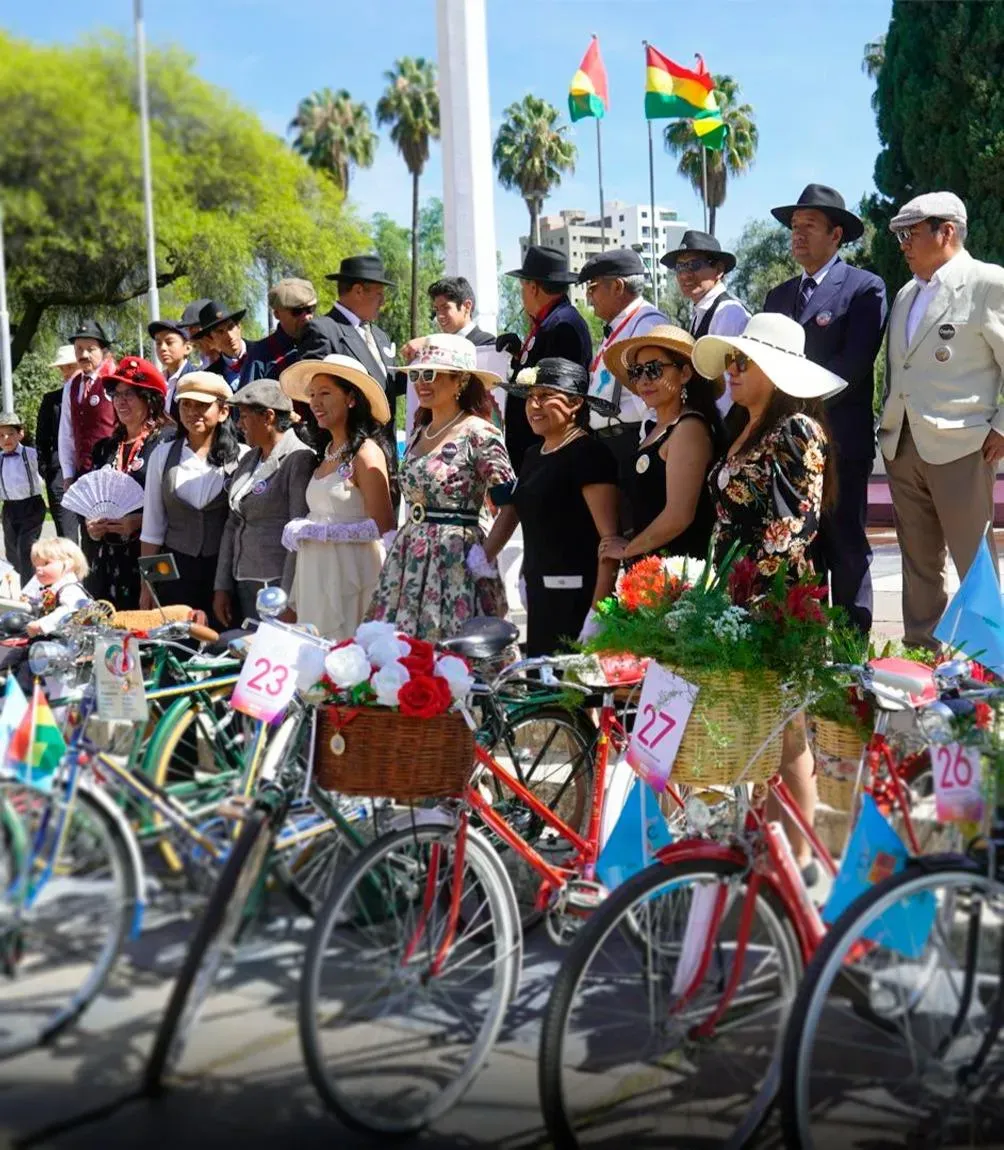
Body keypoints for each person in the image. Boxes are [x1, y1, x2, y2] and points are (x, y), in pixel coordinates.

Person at [693, 312, 846, 878]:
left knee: (788, 731)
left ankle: (799, 857)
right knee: (766, 727)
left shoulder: (796, 431)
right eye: (729, 361)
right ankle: (773, 846)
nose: (730, 371)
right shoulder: (750, 428)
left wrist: (746, 595)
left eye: (741, 361)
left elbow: (794, 528)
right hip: (740, 598)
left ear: (774, 372)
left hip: (777, 601)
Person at [877, 191, 1004, 651]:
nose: (903, 244)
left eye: (910, 233)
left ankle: (987, 672)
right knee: (917, 563)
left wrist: (1002, 426)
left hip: (963, 445)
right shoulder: (907, 292)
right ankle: (922, 663)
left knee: (975, 566)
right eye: (899, 236)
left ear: (946, 231)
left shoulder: (988, 282)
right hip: (903, 444)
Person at [765, 183, 888, 637]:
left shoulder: (864, 289)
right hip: (783, 451)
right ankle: (806, 658)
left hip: (838, 444)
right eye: (794, 227)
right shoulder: (777, 298)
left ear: (836, 234)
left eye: (809, 226)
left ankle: (853, 663)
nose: (797, 235)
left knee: (846, 550)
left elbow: (851, 367)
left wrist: (791, 402)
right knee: (797, 554)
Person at [365, 334, 512, 641]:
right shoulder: (420, 431)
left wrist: (485, 554)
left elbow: (510, 501)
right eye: (416, 374)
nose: (421, 382)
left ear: (460, 380)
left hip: (456, 557)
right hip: (410, 557)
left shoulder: (479, 432)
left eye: (431, 374)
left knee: (454, 646)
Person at [484, 358, 619, 656]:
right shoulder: (534, 454)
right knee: (541, 692)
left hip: (577, 599)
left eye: (545, 397)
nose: (534, 405)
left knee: (572, 696)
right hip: (538, 596)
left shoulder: (589, 454)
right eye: (530, 397)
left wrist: (600, 612)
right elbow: (519, 512)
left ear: (574, 404)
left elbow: (610, 542)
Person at [279, 355, 395, 638]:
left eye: (326, 393)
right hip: (315, 571)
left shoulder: (366, 453)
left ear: (351, 399)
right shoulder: (328, 450)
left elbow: (382, 525)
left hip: (352, 573)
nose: (316, 403)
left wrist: (321, 532)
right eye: (312, 395)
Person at [599, 325, 722, 564]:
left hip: (679, 577)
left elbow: (679, 516)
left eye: (654, 370)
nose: (643, 380)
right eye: (637, 372)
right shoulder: (655, 431)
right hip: (652, 574)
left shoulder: (689, 429)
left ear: (685, 374)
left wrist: (628, 550)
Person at [140, 374, 246, 624]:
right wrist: (146, 584)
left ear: (223, 411)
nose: (192, 412)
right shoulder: (163, 455)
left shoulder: (243, 457)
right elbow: (153, 527)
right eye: (186, 404)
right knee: (178, 644)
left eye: (202, 405)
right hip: (174, 570)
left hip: (224, 571)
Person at [298, 255, 404, 505]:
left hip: (385, 458)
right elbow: (312, 395)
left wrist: (417, 366)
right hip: (345, 465)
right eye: (379, 293)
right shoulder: (324, 330)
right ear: (358, 290)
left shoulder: (379, 336)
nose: (383, 301)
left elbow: (386, 389)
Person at [578, 247, 669, 531]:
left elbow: (655, 401)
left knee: (635, 532)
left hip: (632, 443)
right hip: (612, 444)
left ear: (617, 286)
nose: (588, 297)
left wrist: (643, 454)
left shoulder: (647, 325)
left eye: (592, 288)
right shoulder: (622, 326)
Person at [213, 380, 314, 627]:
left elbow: (297, 532)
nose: (238, 424)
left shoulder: (298, 459)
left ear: (268, 417)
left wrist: (288, 600)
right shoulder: (249, 458)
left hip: (276, 585)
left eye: (244, 416)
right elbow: (233, 523)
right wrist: (222, 585)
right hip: (244, 580)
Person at [497, 245, 592, 475]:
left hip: (550, 451)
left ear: (533, 287)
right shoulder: (551, 322)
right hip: (537, 449)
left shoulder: (562, 326)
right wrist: (520, 355)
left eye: (523, 288)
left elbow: (556, 388)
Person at [85, 357, 170, 609]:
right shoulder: (105, 448)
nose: (121, 401)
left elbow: (176, 509)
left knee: (151, 631)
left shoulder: (167, 443)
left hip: (152, 558)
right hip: (108, 563)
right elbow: (89, 499)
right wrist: (91, 526)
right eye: (116, 394)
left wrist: (140, 521)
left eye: (129, 394)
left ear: (149, 398)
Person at [662, 230, 750, 423]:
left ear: (718, 270)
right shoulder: (700, 312)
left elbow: (730, 382)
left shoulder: (728, 312)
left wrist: (709, 428)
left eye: (694, 265)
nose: (685, 274)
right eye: (680, 267)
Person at [57, 320, 118, 545]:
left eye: (90, 349)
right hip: (84, 472)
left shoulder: (114, 380)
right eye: (79, 349)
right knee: (89, 535)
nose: (84, 354)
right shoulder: (71, 387)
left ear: (103, 351)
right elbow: (66, 433)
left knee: (114, 531)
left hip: (113, 471)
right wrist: (68, 474)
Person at [0, 413, 46, 586]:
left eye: (10, 433)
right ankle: (22, 585)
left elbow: (47, 472)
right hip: (10, 508)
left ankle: (29, 591)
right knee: (12, 551)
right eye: (1, 435)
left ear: (20, 434)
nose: (6, 439)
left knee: (25, 548)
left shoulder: (31, 455)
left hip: (32, 506)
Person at [36, 346, 76, 537]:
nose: (66, 372)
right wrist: (47, 469)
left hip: (91, 470)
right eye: (63, 368)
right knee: (67, 534)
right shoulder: (51, 400)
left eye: (70, 366)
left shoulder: (98, 395)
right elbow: (41, 439)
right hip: (58, 474)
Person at [21, 537, 92, 637]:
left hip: (69, 641)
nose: (38, 569)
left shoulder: (70, 589)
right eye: (36, 565)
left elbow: (69, 610)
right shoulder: (50, 586)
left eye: (46, 563)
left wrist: (41, 625)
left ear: (69, 564)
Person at [191, 301, 249, 389]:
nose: (229, 336)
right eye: (220, 331)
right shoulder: (210, 376)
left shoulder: (263, 353)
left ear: (239, 326)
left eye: (231, 327)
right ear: (211, 338)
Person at [147, 318, 196, 411]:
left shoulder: (195, 379)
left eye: (169, 342)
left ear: (188, 348)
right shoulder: (157, 381)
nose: (163, 348)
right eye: (158, 343)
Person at [181, 299, 217, 368]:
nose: (189, 338)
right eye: (186, 329)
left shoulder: (237, 360)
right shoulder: (204, 359)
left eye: (191, 328)